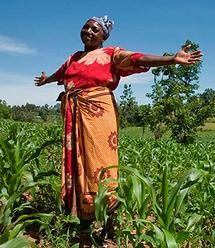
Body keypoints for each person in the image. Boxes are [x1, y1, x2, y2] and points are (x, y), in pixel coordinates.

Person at [34, 16, 202, 222]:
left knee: (99, 160)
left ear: (104, 35)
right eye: (85, 27)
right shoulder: (74, 58)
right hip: (74, 112)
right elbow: (59, 74)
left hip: (98, 112)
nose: (88, 31)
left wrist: (171, 60)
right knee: (77, 159)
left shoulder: (111, 54)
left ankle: (108, 213)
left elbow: (138, 59)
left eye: (94, 29)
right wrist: (46, 80)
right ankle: (81, 214)